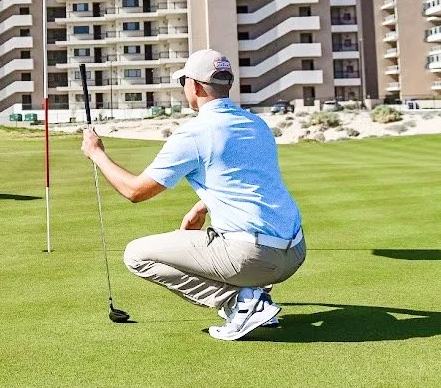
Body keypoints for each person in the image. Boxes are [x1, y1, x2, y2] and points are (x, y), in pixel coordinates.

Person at [79, 48, 305, 341]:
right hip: (295, 253)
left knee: (136, 255)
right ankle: (253, 297)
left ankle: (242, 302)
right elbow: (245, 180)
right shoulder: (256, 124)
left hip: (255, 257)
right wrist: (202, 206)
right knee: (223, 237)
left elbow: (135, 191)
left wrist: (96, 154)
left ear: (195, 86)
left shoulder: (195, 133)